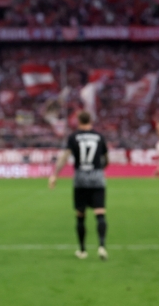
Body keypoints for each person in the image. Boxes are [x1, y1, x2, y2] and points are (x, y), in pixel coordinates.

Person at [49, 111, 109, 260]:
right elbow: (106, 159)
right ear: (91, 120)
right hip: (97, 178)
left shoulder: (74, 137)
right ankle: (101, 247)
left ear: (78, 121)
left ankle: (82, 250)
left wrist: (55, 175)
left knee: (80, 216)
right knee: (100, 213)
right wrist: (99, 169)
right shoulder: (99, 137)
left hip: (80, 179)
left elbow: (64, 157)